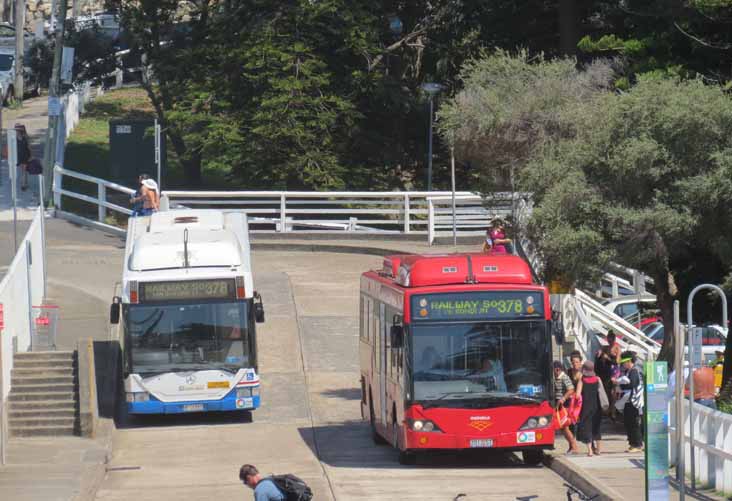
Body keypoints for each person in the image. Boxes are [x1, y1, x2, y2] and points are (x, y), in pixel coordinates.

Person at [575, 361, 609, 456]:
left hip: (585, 407)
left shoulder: (582, 380)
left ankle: (590, 451)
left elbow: (577, 395)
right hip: (597, 407)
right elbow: (602, 393)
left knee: (587, 428)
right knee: (596, 428)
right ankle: (598, 450)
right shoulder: (598, 379)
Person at [618, 351, 644, 452]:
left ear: (629, 361)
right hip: (627, 400)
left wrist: (620, 383)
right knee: (628, 422)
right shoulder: (628, 372)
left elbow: (632, 384)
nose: (623, 365)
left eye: (624, 362)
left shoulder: (634, 371)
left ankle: (637, 444)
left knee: (634, 422)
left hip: (634, 401)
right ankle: (633, 443)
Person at [553, 361, 579, 454]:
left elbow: (571, 389)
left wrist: (563, 398)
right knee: (563, 428)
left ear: (557, 369)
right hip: (559, 405)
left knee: (565, 427)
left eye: (553, 370)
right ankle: (572, 446)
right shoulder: (555, 378)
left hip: (565, 406)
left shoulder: (564, 377)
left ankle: (574, 446)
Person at [15, 124, 32, 191]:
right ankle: (23, 185)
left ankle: (25, 183)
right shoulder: (26, 138)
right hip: (25, 156)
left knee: (23, 170)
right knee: (24, 171)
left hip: (19, 156)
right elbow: (29, 147)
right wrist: (32, 155)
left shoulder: (15, 138)